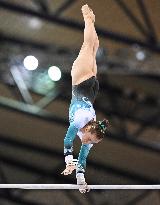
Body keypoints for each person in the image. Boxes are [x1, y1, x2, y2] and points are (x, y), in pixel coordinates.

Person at [61, 4, 109, 193]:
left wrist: (81, 181)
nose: (88, 142)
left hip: (90, 88)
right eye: (90, 140)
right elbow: (67, 139)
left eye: (91, 142)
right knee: (88, 45)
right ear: (90, 131)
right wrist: (67, 160)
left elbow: (82, 159)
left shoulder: (90, 132)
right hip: (81, 82)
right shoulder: (82, 120)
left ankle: (91, 21)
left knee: (93, 47)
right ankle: (88, 18)